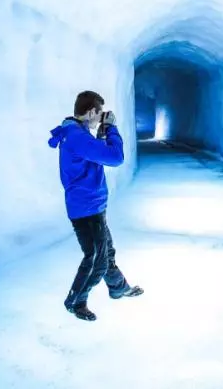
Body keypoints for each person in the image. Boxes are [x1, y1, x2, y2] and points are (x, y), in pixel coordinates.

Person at [48, 90, 143, 322]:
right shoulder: (77, 137)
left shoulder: (78, 133)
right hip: (86, 209)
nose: (100, 118)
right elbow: (115, 157)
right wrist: (111, 129)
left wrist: (101, 134)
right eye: (99, 114)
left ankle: (118, 287)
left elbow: (95, 155)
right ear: (90, 111)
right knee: (95, 258)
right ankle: (75, 301)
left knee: (105, 252)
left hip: (91, 205)